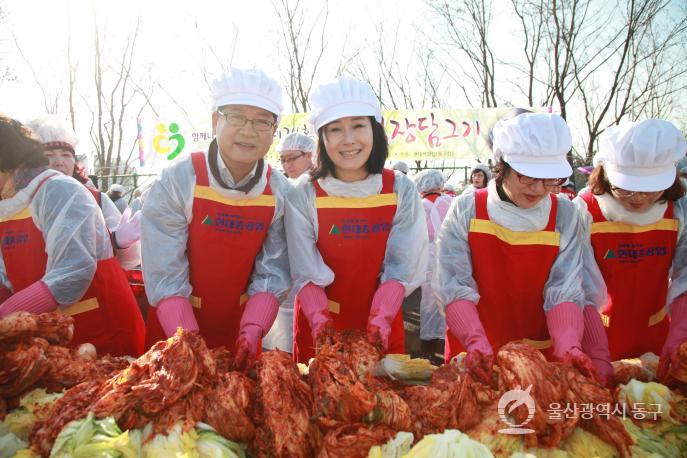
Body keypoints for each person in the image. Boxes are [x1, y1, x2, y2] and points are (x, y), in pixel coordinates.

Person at [141, 68, 290, 371]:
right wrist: (187, 339)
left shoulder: (280, 191)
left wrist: (254, 328)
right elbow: (165, 271)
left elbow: (274, 269)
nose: (248, 131)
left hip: (241, 330)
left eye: (262, 121)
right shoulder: (179, 180)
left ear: (274, 131)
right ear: (214, 121)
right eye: (236, 116)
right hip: (174, 329)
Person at [434, 112, 596, 384]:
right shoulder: (468, 208)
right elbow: (452, 281)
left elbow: (564, 286)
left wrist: (568, 344)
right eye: (527, 176)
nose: (539, 188)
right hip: (475, 351)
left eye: (550, 179)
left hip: (541, 354)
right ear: (502, 165)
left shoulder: (565, 214)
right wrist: (474, 339)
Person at [285, 76, 428, 363]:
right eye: (335, 129)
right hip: (319, 328)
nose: (348, 139)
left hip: (383, 326)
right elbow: (301, 262)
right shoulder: (303, 192)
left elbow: (406, 260)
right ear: (322, 140)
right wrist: (318, 318)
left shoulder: (399, 189)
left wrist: (383, 316)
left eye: (359, 126)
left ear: (375, 131)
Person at [0, 116, 144, 356]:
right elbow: (5, 276)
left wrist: (7, 315)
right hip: (50, 339)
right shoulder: (7, 205)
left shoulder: (59, 191)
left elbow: (72, 272)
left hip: (101, 330)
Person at [574, 119, 687, 385]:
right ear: (605, 175)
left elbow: (684, 272)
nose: (637, 198)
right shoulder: (585, 209)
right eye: (625, 188)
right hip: (597, 334)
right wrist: (596, 352)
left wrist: (681, 330)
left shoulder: (679, 210)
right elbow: (578, 282)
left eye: (650, 189)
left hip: (658, 332)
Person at [25, 115, 141, 270]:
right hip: (29, 291)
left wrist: (119, 243)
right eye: (49, 155)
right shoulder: (18, 203)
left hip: (95, 292)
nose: (59, 161)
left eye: (66, 155)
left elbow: (129, 261)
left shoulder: (96, 199)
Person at [414, 169, 452, 363]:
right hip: (448, 255)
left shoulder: (418, 206)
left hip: (427, 257)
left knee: (428, 302)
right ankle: (446, 344)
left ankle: (428, 348)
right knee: (448, 299)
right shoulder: (450, 202)